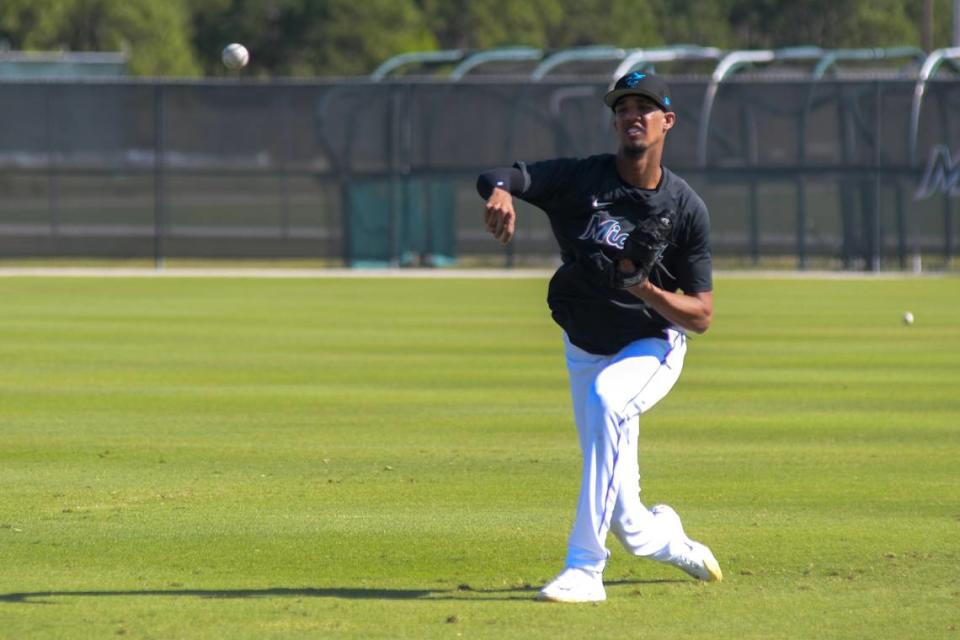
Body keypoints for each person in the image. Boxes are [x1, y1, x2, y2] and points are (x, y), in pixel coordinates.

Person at [476, 71, 722, 603]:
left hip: (651, 345)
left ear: (667, 122)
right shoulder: (582, 179)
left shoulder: (684, 209)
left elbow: (700, 316)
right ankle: (671, 540)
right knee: (627, 519)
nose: (632, 114)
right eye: (623, 107)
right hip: (585, 346)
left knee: (610, 398)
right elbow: (501, 175)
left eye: (645, 106)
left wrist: (644, 288)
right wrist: (500, 194)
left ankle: (585, 569)